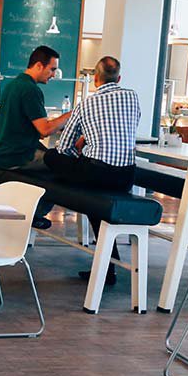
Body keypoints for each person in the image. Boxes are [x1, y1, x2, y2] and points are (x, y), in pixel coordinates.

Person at [44, 55, 140, 285]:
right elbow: (128, 127)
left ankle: (58, 195)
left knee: (50, 156)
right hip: (126, 176)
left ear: (95, 79)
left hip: (97, 174)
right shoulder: (132, 97)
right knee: (98, 211)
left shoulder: (86, 103)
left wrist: (81, 148)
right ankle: (107, 270)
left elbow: (64, 147)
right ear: (119, 78)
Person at [0, 44, 72, 228]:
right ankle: (34, 213)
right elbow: (44, 130)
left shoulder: (14, 84)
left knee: (52, 158)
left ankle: (27, 205)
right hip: (16, 154)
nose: (53, 75)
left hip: (2, 150)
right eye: (52, 69)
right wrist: (71, 114)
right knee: (63, 167)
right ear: (38, 66)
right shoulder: (30, 90)